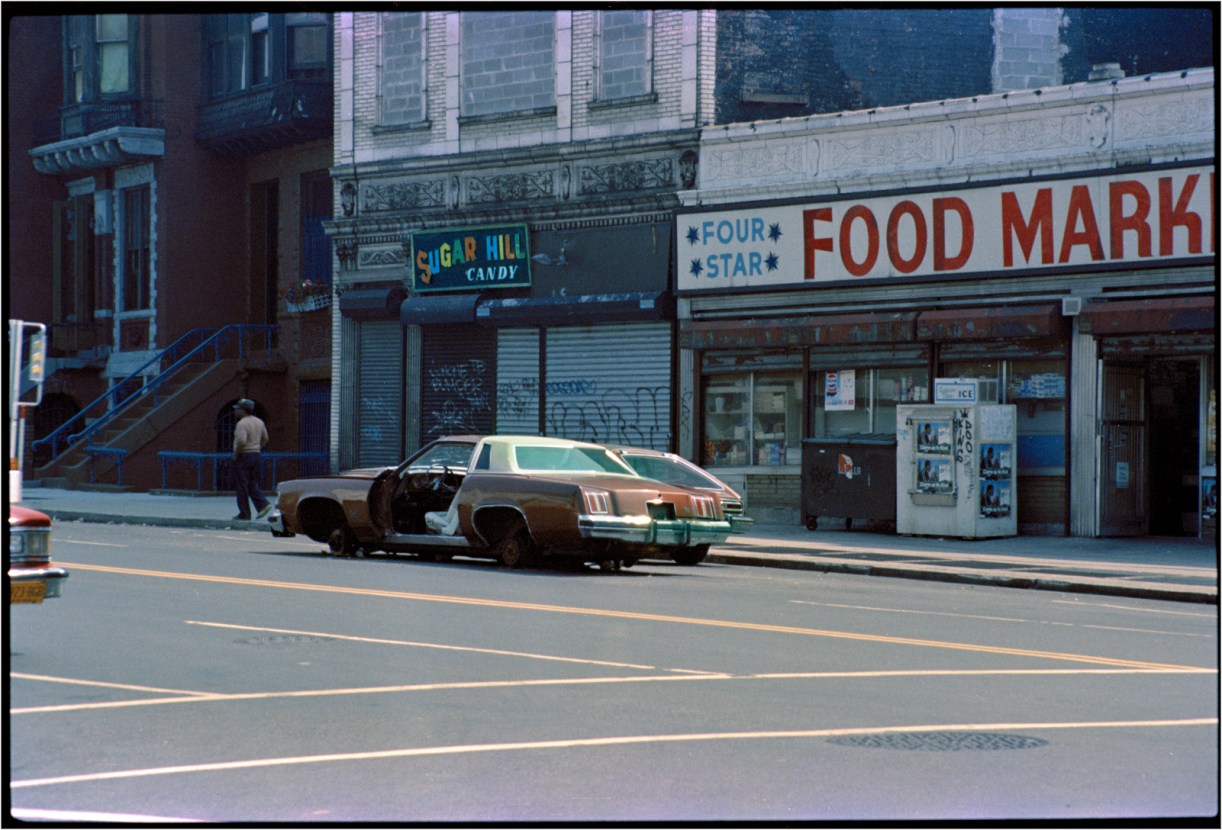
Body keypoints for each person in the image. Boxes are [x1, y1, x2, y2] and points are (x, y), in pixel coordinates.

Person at [232, 398, 271, 520]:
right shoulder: (259, 422)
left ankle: (245, 513)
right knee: (252, 483)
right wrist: (257, 447)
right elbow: (265, 438)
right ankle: (263, 504)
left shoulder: (242, 424)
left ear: (243, 410)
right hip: (256, 455)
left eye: (237, 408)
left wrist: (236, 454)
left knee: (242, 485)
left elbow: (242, 441)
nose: (235, 411)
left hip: (244, 456)